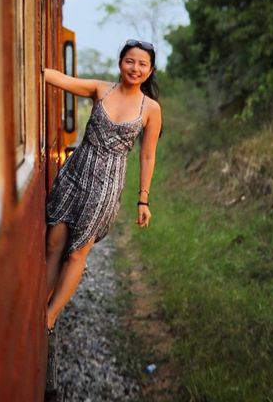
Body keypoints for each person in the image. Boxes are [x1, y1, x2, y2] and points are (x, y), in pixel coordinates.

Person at [44, 39, 163, 333]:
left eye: (142, 64)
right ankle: (40, 302)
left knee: (76, 254)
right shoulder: (101, 89)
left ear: (149, 70)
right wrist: (30, 67)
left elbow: (148, 156)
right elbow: (60, 79)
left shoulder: (151, 108)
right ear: (120, 63)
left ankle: (49, 317)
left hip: (106, 186)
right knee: (53, 243)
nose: (135, 68)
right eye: (130, 61)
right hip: (75, 173)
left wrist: (143, 200)